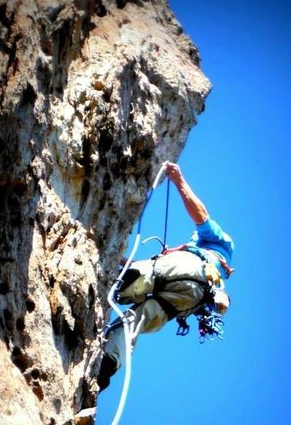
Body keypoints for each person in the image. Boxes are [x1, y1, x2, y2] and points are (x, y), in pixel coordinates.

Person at [98, 162, 235, 390]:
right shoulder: (213, 266)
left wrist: (178, 180)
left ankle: (108, 284)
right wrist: (116, 258)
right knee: (133, 321)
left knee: (141, 276)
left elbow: (201, 217)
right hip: (189, 300)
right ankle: (107, 362)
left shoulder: (218, 243)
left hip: (190, 269)